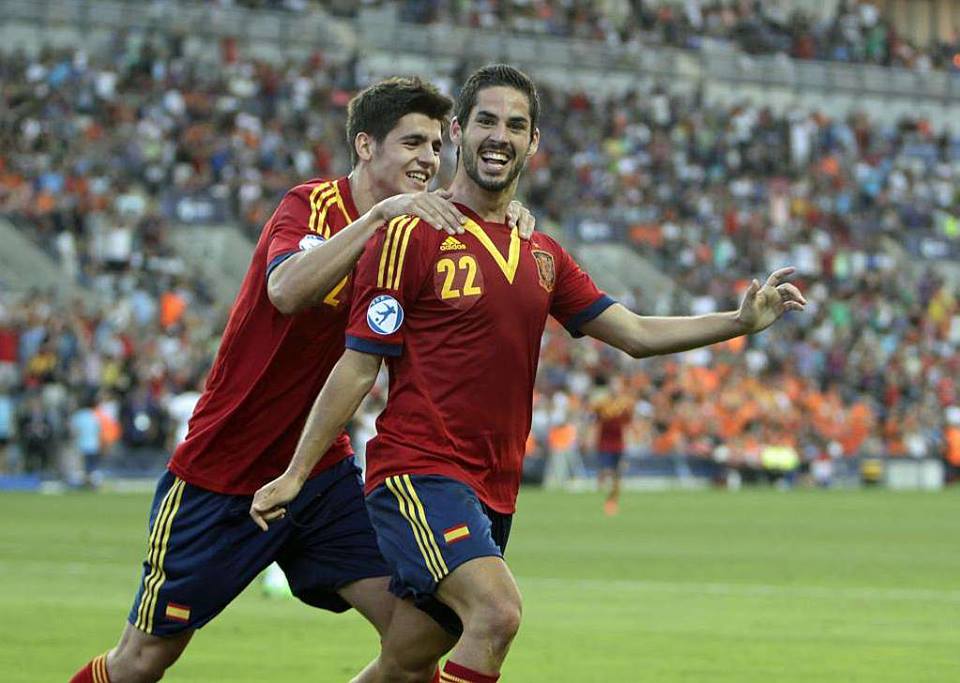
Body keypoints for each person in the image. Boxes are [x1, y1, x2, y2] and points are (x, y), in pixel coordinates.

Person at [251, 64, 806, 683]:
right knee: (497, 613)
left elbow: (636, 334)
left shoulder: (542, 254)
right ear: (458, 131)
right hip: (419, 472)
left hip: (495, 488)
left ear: (533, 142)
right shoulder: (408, 234)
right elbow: (358, 366)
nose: (500, 135)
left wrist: (738, 320)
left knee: (406, 662)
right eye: (486, 120)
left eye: (517, 125)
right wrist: (296, 472)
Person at [68, 76, 536, 683]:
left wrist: (504, 215)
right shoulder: (311, 206)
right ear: (366, 146)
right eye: (411, 143)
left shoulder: (417, 231)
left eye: (432, 146)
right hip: (224, 469)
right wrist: (377, 218)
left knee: (415, 641)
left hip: (318, 473)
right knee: (142, 662)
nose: (427, 160)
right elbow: (286, 291)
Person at [587, 375, 634, 515]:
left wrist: (629, 439)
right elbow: (593, 420)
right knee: (607, 471)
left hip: (618, 444)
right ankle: (602, 495)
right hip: (604, 443)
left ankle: (611, 501)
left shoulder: (625, 403)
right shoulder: (601, 404)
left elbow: (628, 423)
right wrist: (590, 437)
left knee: (617, 474)